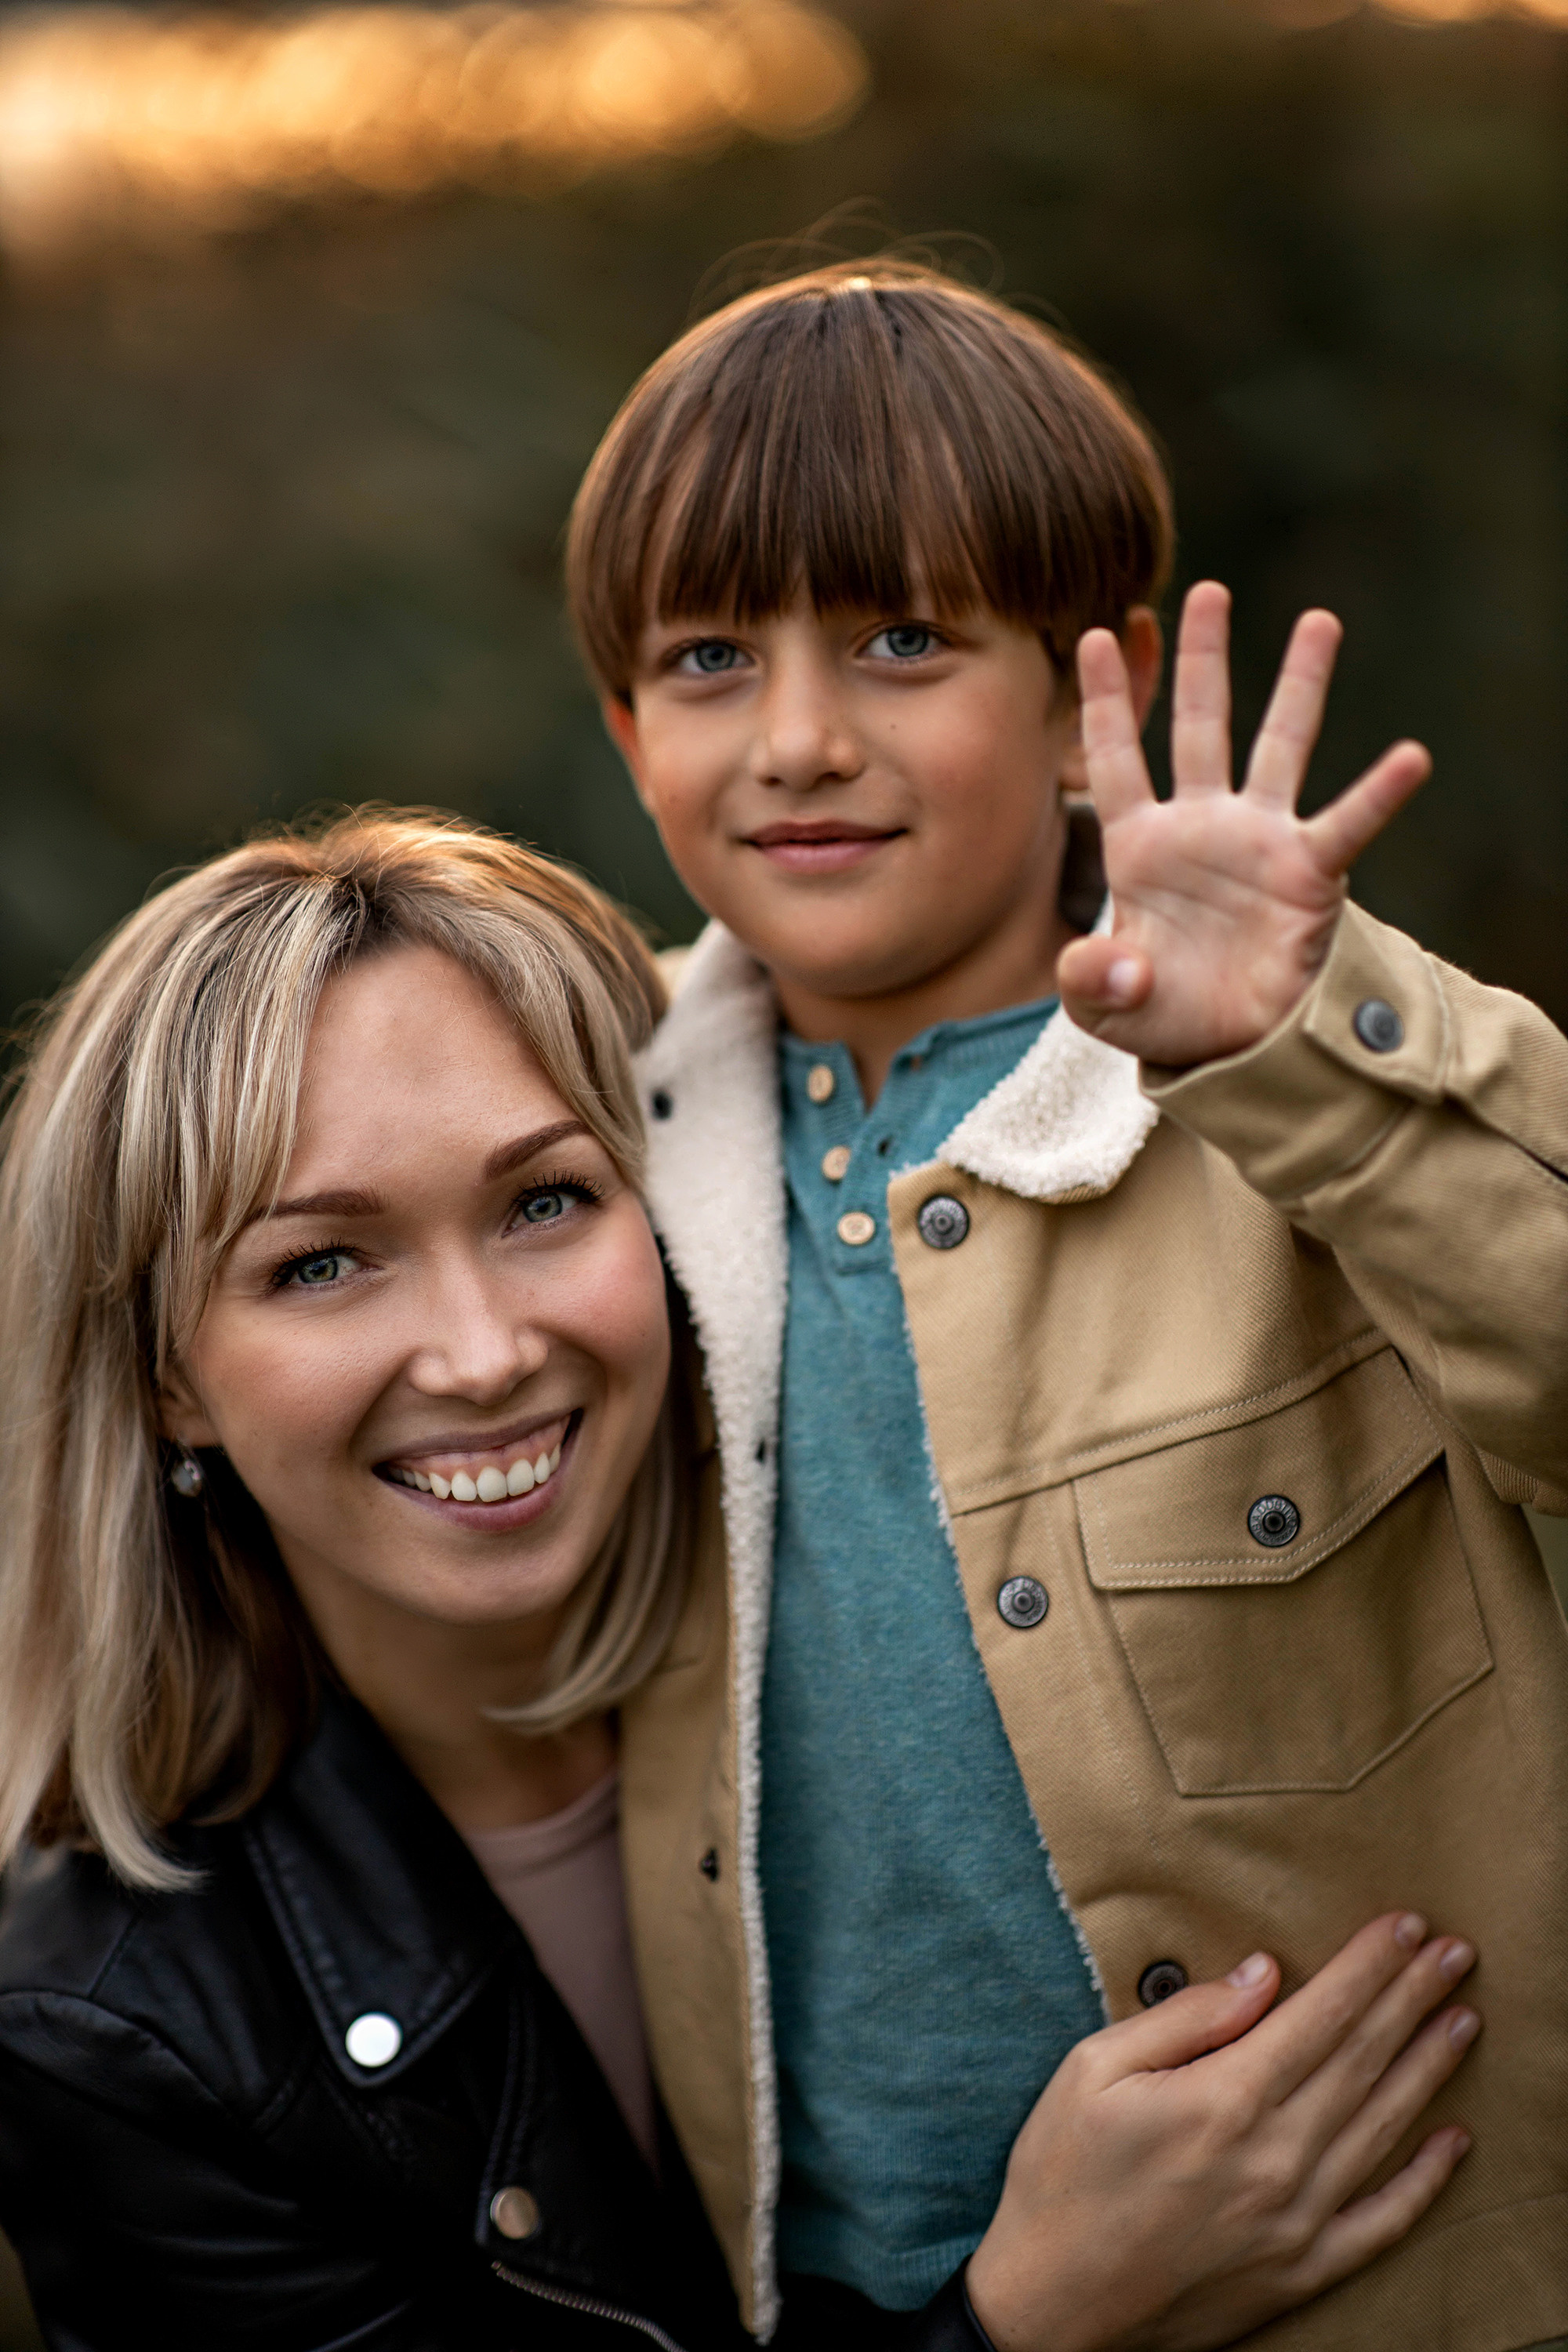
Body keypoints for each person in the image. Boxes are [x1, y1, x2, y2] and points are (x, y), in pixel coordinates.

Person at [565, 262, 1568, 2350]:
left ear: (1080, 686)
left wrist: (1314, 1056)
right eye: (709, 659)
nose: (805, 740)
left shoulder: (1302, 1081)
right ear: (621, 725)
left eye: (907, 641)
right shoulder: (577, 1169)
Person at [0, 812, 757, 2350]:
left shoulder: (928, 1653)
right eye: (322, 1263)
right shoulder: (112, 2028)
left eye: (545, 1200)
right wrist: (1021, 2320)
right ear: (169, 1383)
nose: (482, 1355)